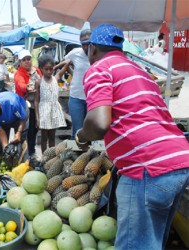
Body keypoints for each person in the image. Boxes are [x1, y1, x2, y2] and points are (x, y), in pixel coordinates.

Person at [75, 24, 189, 250]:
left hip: (147, 168)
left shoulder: (99, 68)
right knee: (153, 243)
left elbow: (98, 123)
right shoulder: (140, 71)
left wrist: (81, 134)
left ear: (93, 49)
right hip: (180, 163)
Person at [54, 29, 91, 139]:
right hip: (76, 98)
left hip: (92, 98)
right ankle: (76, 155)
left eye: (89, 43)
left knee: (91, 129)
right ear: (80, 43)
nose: (86, 46)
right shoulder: (75, 53)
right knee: (77, 130)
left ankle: (90, 155)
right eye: (83, 44)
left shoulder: (97, 55)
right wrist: (71, 73)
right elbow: (64, 62)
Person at [35, 55, 67, 153]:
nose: (49, 71)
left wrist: (56, 66)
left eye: (51, 69)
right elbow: (36, 100)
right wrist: (37, 117)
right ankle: (45, 157)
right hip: (44, 110)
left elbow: (67, 62)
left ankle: (52, 156)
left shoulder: (56, 78)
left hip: (54, 110)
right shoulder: (38, 82)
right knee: (44, 138)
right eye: (46, 69)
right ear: (41, 69)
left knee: (52, 137)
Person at [14, 49, 42, 159]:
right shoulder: (19, 73)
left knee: (35, 129)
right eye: (24, 60)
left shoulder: (37, 70)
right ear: (20, 62)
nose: (27, 61)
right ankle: (24, 152)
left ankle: (31, 150)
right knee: (26, 129)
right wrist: (26, 87)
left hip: (37, 104)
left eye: (28, 59)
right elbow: (20, 83)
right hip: (25, 105)